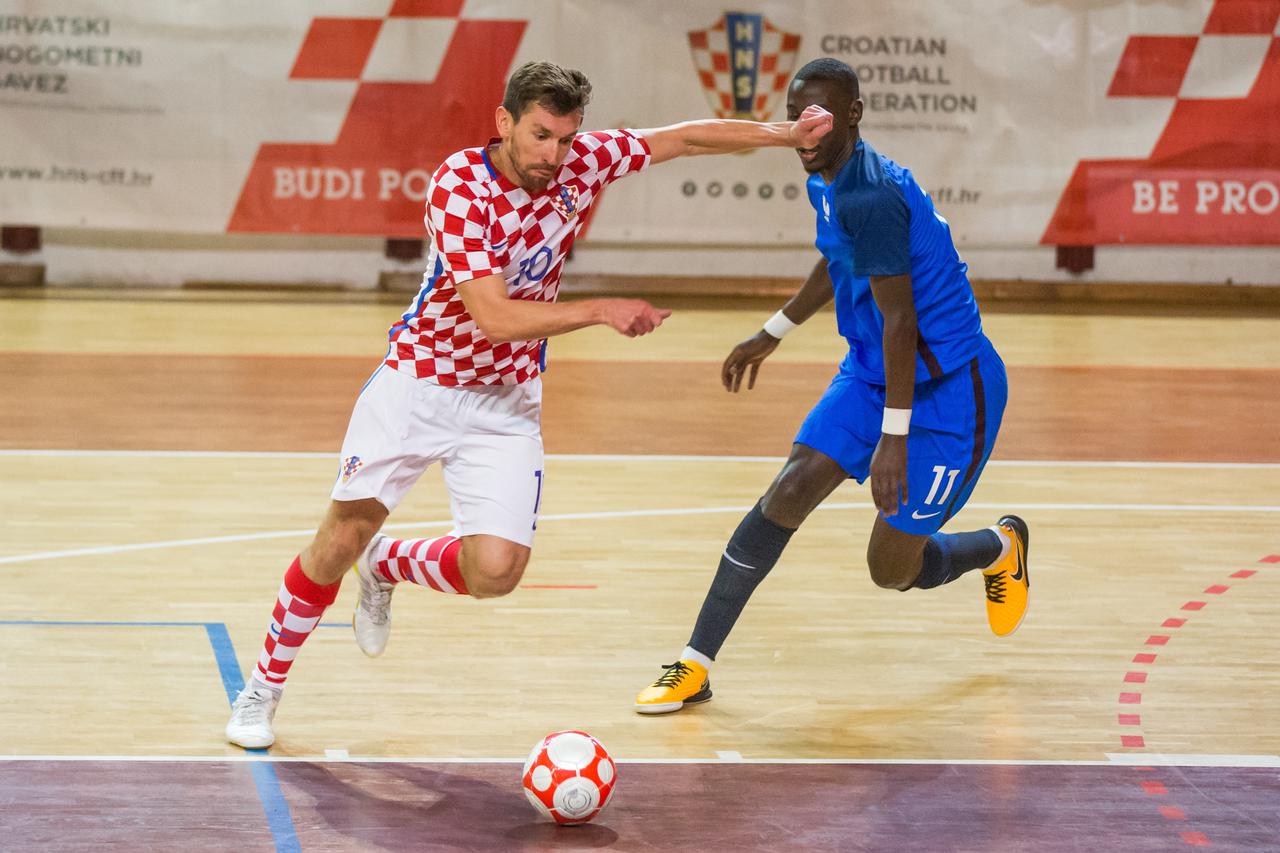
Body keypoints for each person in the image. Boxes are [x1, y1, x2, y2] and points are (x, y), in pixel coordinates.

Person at [225, 60, 834, 748]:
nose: (555, 155)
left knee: (497, 571)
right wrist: (602, 309)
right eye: (541, 136)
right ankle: (262, 689)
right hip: (419, 384)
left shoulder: (581, 165)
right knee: (336, 540)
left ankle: (390, 561)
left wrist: (787, 133)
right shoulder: (459, 187)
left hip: (505, 400)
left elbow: (686, 139)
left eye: (567, 139)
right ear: (504, 123)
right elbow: (493, 316)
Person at [634, 58, 1028, 715]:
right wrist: (774, 329)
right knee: (789, 488)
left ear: (853, 115)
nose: (804, 124)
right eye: (796, 112)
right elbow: (836, 259)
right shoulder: (824, 174)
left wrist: (892, 441)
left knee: (890, 568)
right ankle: (694, 663)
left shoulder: (868, 192)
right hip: (875, 372)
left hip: (951, 389)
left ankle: (998, 546)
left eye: (820, 112)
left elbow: (902, 323)